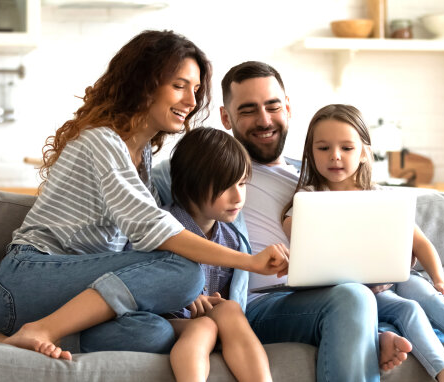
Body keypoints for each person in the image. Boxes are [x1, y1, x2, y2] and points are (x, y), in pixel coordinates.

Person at [0, 30, 289, 361]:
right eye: (180, 85)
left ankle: (2, 340)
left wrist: (176, 294)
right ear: (145, 84)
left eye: (195, 89)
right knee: (187, 272)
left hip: (72, 296)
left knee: (156, 332)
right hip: (27, 282)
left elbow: (142, 250)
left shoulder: (143, 157)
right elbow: (157, 232)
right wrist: (251, 262)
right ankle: (38, 331)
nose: (191, 100)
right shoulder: (103, 141)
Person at [153, 62, 413, 381]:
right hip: (262, 303)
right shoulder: (213, 170)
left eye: (272, 106)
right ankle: (375, 334)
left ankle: (379, 335)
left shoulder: (318, 175)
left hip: (326, 293)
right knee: (353, 297)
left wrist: (381, 266)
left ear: (287, 107)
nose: (264, 120)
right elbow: (152, 227)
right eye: (248, 110)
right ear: (226, 117)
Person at [280, 103, 444, 382]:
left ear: (365, 153)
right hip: (358, 293)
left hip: (395, 278)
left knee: (435, 300)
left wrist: (440, 280)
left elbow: (421, 243)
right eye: (323, 148)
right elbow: (302, 241)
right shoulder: (308, 200)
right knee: (410, 308)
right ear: (311, 152)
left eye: (347, 148)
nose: (335, 156)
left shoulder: (379, 196)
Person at [162, 127, 271, 382]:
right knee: (204, 327)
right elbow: (137, 280)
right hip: (163, 319)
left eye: (242, 183)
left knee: (230, 310)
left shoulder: (231, 239)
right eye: (225, 187)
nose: (238, 197)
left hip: (208, 320)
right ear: (191, 185)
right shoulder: (162, 225)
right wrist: (182, 294)